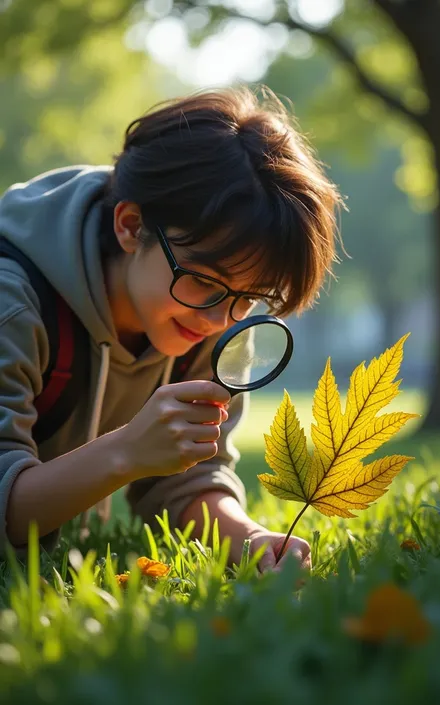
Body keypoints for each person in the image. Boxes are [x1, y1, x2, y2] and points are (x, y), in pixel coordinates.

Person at [0, 86, 340, 572]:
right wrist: (126, 452)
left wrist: (248, 538)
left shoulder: (209, 324)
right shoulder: (13, 304)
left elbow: (187, 478)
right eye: (204, 282)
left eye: (250, 297)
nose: (220, 320)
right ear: (132, 226)